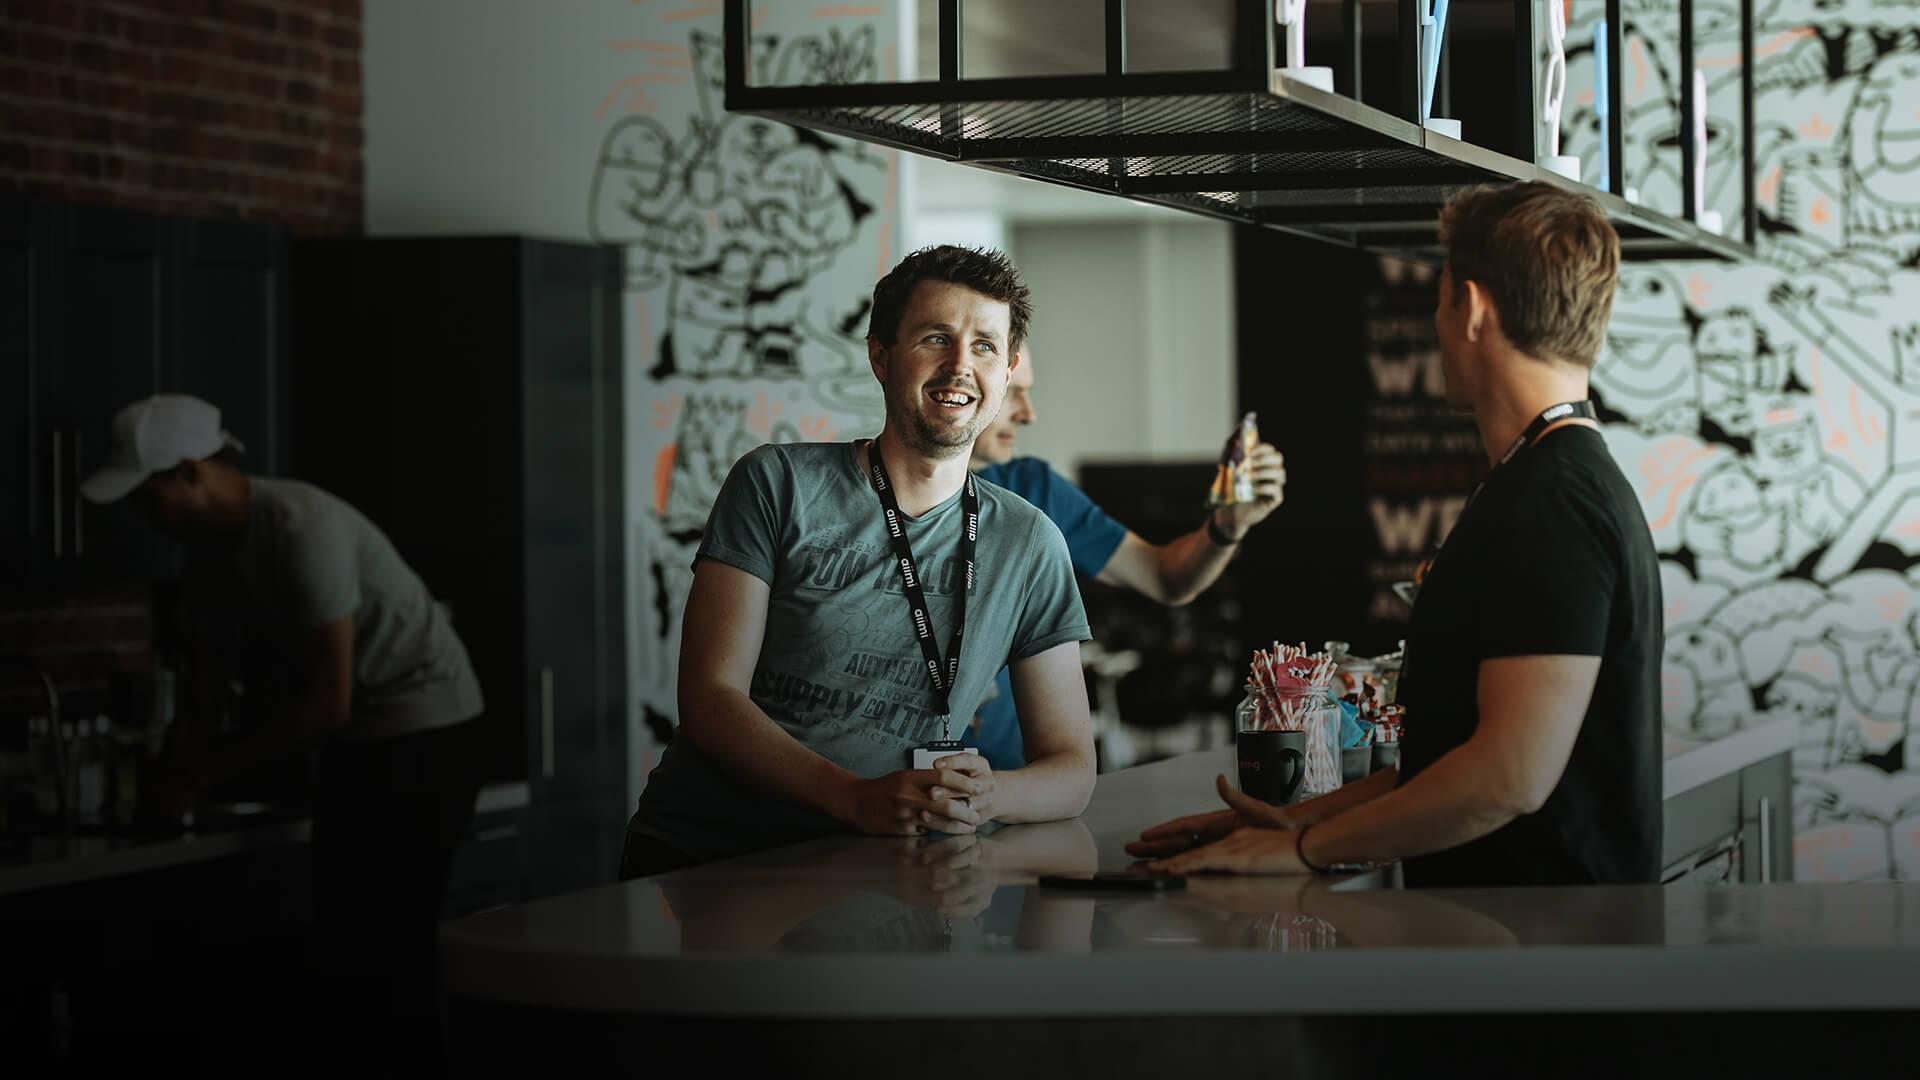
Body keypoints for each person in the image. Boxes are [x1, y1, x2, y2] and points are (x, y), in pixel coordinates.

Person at [1129, 182, 1664, 887]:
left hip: (1544, 965)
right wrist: (1302, 822)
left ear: (1471, 309)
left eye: (1439, 299)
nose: (1436, 325)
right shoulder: (1551, 482)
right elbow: (1451, 760)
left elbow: (1508, 776)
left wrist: (1300, 853)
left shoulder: (1554, 501)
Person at [622, 245, 1097, 878]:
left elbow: (1071, 766)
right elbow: (709, 698)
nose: (960, 366)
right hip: (713, 858)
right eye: (936, 338)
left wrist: (991, 795)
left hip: (875, 873)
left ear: (1008, 369)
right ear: (881, 356)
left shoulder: (1030, 542)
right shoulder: (777, 483)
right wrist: (853, 798)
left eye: (985, 346)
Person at [80, 394, 486, 1058]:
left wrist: (207, 773)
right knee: (339, 945)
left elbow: (330, 703)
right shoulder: (208, 558)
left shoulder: (302, 528)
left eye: (148, 498)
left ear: (191, 473)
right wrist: (178, 767)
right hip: (362, 741)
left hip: (429, 731)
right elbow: (205, 692)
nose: (144, 518)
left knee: (388, 949)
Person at [967, 351, 1288, 768]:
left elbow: (1165, 577)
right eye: (1015, 393)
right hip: (887, 784)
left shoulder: (1034, 488)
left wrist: (1228, 525)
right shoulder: (872, 494)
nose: (1029, 414)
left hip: (1008, 781)